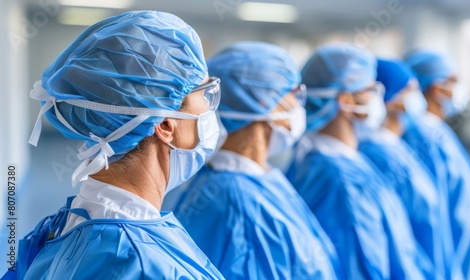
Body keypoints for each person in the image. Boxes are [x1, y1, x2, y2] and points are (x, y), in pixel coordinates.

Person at [4, 11, 224, 279]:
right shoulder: (149, 267)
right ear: (166, 125)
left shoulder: (61, 228)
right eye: (205, 94)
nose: (210, 110)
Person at [165, 41, 344, 279]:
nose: (301, 104)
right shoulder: (238, 203)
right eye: (293, 93)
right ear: (265, 102)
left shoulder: (258, 179)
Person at [285, 44, 435, 279]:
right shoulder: (341, 182)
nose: (378, 96)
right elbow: (363, 265)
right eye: (370, 89)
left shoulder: (346, 162)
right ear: (346, 100)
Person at [359, 58, 459, 279]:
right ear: (389, 98)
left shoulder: (395, 148)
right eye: (410, 89)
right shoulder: (378, 156)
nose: (417, 96)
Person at [403, 50, 470, 279]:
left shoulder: (437, 131)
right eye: (453, 81)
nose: (457, 89)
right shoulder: (422, 139)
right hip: (455, 260)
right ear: (436, 87)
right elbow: (432, 214)